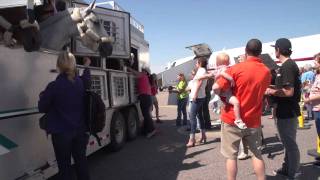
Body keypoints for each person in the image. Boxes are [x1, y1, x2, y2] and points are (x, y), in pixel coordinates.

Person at [216, 39, 271, 180]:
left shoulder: (235, 69)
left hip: (231, 119)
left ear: (246, 51)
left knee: (231, 157)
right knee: (257, 155)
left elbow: (218, 87)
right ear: (260, 52)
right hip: (254, 120)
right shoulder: (266, 71)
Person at [38, 52, 91, 180]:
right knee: (81, 163)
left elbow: (42, 108)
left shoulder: (54, 87)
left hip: (61, 134)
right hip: (80, 131)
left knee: (64, 168)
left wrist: (42, 97)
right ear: (73, 65)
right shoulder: (80, 83)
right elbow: (87, 80)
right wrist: (87, 66)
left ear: (58, 66)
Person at [266, 38, 301, 179]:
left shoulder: (287, 66)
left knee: (290, 145)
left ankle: (294, 172)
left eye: (275, 48)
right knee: (287, 143)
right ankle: (287, 169)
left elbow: (288, 92)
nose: (275, 51)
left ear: (278, 50)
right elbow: (283, 88)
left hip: (287, 112)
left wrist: (270, 92)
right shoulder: (286, 66)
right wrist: (271, 87)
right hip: (285, 111)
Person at [206, 53, 247, 129]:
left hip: (222, 92)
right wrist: (231, 79)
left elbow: (211, 75)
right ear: (228, 62)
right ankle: (238, 119)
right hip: (226, 92)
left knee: (223, 104)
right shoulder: (225, 68)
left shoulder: (217, 69)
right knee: (236, 103)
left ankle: (233, 118)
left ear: (217, 63)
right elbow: (222, 73)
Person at [127, 66, 157, 138]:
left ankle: (152, 130)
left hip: (145, 97)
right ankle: (146, 130)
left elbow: (135, 73)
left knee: (146, 115)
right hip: (146, 97)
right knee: (145, 115)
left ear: (146, 72)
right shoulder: (145, 77)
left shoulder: (143, 75)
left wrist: (128, 68)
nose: (141, 71)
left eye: (143, 70)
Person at [186, 57, 208, 147]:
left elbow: (199, 82)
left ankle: (192, 139)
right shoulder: (202, 70)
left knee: (192, 117)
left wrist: (195, 94)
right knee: (199, 116)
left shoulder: (201, 70)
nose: (195, 64)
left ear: (199, 63)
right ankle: (203, 136)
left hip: (197, 97)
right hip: (200, 96)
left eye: (196, 63)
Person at [304, 52, 320, 167]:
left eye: (316, 61)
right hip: (316, 108)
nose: (314, 63)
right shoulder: (317, 75)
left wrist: (308, 99)